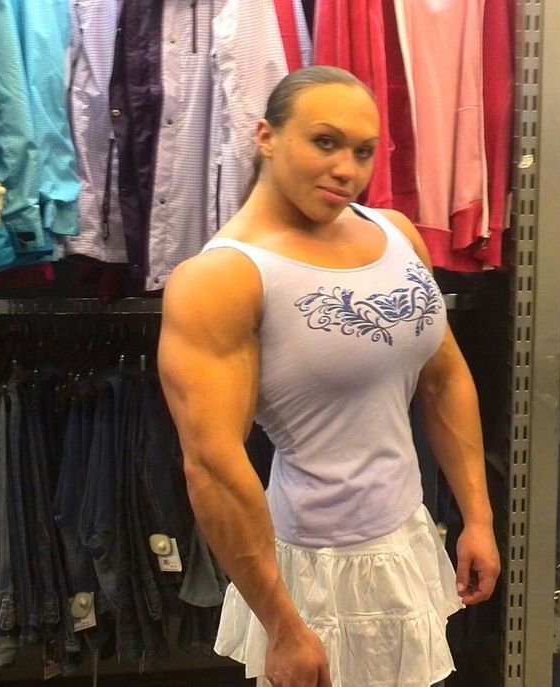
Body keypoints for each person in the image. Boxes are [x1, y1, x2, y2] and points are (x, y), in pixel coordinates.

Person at [158, 66, 501, 687]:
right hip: (316, 573)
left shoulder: (395, 233)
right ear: (266, 136)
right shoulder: (222, 279)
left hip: (407, 534)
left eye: (363, 151)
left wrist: (477, 515)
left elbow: (443, 376)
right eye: (325, 142)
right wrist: (283, 626)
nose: (347, 168)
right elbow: (211, 466)